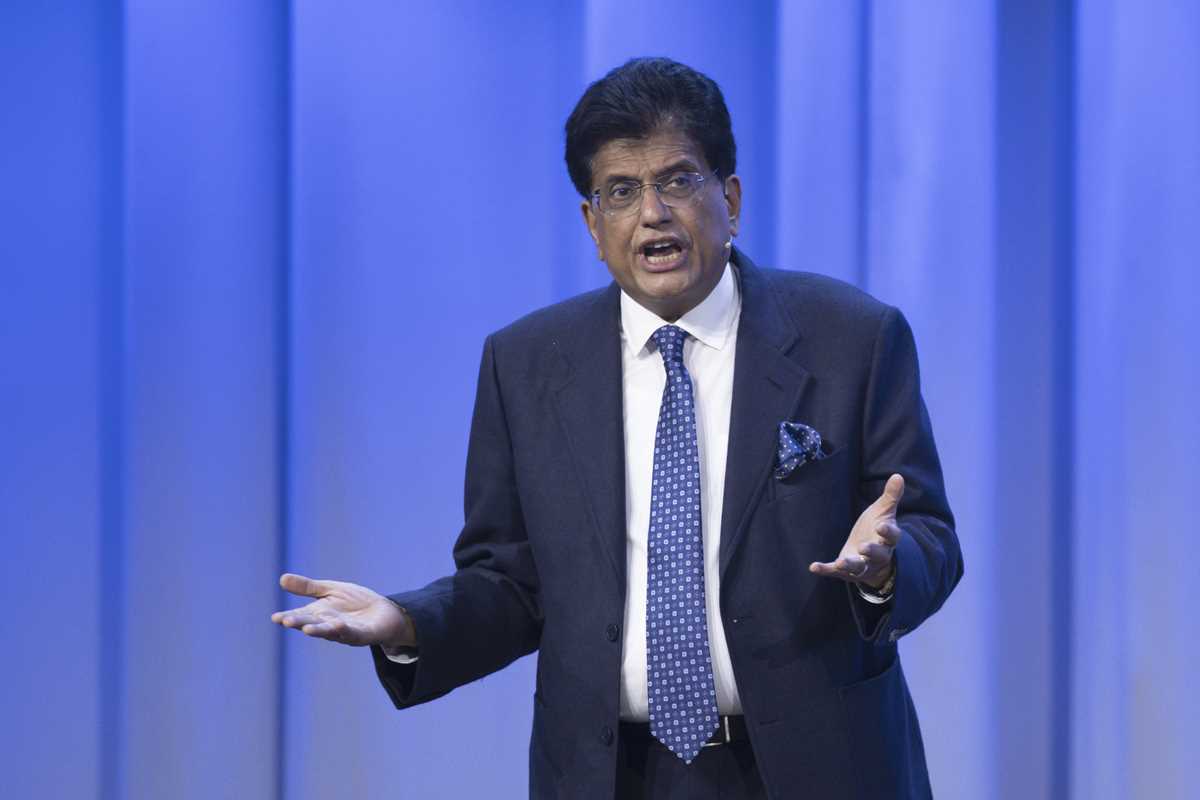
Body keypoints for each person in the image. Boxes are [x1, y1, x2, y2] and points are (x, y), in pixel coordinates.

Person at [272, 57, 962, 799]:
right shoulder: (526, 363)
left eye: (678, 181)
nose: (653, 213)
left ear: (730, 199)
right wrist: (410, 622)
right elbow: (510, 583)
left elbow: (928, 531)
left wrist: (886, 567)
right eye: (622, 191)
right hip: (608, 775)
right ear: (592, 225)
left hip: (818, 768)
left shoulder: (851, 338)